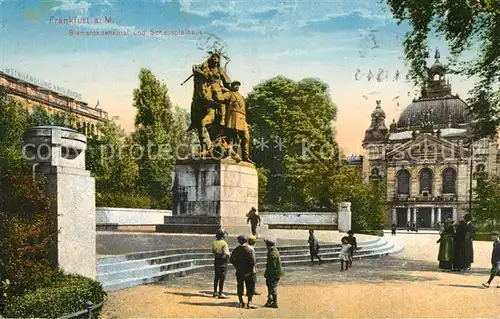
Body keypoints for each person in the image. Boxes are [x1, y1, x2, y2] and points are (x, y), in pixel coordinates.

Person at [220, 81, 252, 163]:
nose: (237, 86)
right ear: (232, 86)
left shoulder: (241, 96)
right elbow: (220, 98)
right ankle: (230, 155)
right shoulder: (229, 94)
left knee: (246, 137)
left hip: (242, 118)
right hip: (233, 117)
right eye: (236, 85)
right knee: (232, 137)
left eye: (238, 85)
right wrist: (218, 89)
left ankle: (246, 157)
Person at [229, 235, 257, 309]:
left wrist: (237, 266)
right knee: (250, 286)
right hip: (250, 271)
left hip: (240, 271)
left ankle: (241, 302)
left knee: (240, 286)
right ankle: (249, 302)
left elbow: (231, 260)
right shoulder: (251, 249)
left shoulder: (236, 249)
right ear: (246, 240)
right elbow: (253, 261)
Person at [264, 236, 283, 308]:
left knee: (273, 287)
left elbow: (273, 265)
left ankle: (275, 302)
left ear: (268, 244)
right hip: (274, 273)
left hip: (273, 273)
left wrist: (270, 274)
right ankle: (270, 300)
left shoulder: (272, 253)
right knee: (270, 286)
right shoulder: (274, 250)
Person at [211, 228, 230, 298]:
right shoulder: (224, 243)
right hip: (223, 261)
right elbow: (227, 253)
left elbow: (213, 251)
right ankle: (220, 292)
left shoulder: (214, 242)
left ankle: (215, 292)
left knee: (216, 276)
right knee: (222, 277)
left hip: (216, 260)